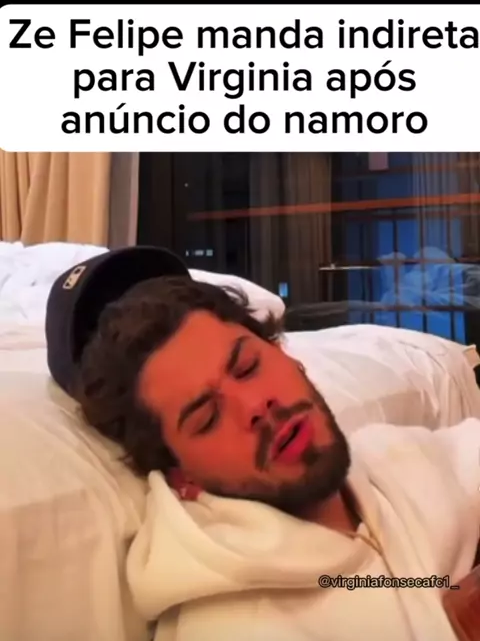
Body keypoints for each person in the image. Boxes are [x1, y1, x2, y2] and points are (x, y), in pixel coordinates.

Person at [46, 246, 480, 641]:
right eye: (208, 417)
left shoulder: (392, 459)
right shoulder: (237, 627)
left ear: (285, 355)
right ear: (181, 478)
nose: (256, 405)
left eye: (248, 367)